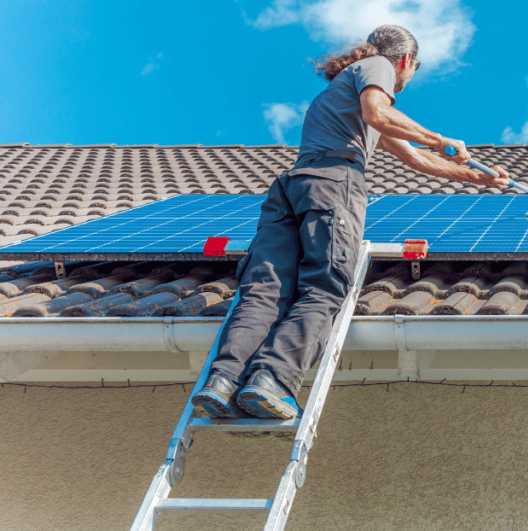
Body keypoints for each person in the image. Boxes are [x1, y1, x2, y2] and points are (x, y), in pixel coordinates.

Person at [191, 25, 509, 419]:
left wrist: (479, 178)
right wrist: (440, 137)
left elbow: (414, 158)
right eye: (412, 70)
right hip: (332, 184)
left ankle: (222, 381)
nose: (406, 79)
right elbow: (381, 112)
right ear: (406, 60)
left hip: (291, 188)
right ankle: (271, 380)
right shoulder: (377, 67)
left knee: (265, 291)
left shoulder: (340, 93)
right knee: (324, 287)